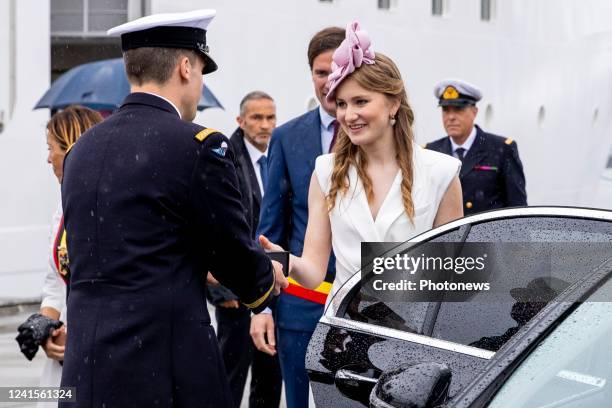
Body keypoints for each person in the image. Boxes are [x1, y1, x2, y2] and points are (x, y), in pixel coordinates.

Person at [59, 10, 287, 408]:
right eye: (200, 71)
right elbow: (231, 250)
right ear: (185, 66)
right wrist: (266, 278)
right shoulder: (197, 146)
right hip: (165, 370)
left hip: (89, 367)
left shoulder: (82, 150)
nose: (199, 85)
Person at [259, 21, 463, 313]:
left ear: (393, 104)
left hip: (414, 339)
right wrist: (286, 260)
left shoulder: (441, 173)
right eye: (341, 103)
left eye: (360, 101)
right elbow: (314, 272)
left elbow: (452, 279)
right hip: (343, 335)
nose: (348, 115)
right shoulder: (326, 172)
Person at [251, 26, 345, 408]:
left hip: (368, 302)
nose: (328, 82)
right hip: (302, 304)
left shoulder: (378, 135)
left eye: (336, 71)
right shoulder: (288, 138)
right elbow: (270, 226)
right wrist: (263, 306)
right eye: (320, 73)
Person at [207, 91, 282, 407]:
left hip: (273, 285)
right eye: (256, 118)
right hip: (235, 291)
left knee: (269, 373)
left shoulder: (281, 153)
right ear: (240, 121)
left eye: (270, 117)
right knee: (230, 373)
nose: (265, 125)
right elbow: (213, 223)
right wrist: (223, 293)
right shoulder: (223, 155)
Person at [38, 106, 103, 408]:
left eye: (52, 149)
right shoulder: (60, 212)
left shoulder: (110, 207)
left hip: (102, 347)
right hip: (64, 354)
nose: (48, 158)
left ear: (72, 148)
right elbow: (55, 285)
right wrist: (44, 332)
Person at [425, 79, 527, 216]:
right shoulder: (431, 152)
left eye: (458, 109)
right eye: (445, 110)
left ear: (474, 112)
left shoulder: (502, 150)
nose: (450, 117)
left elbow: (518, 210)